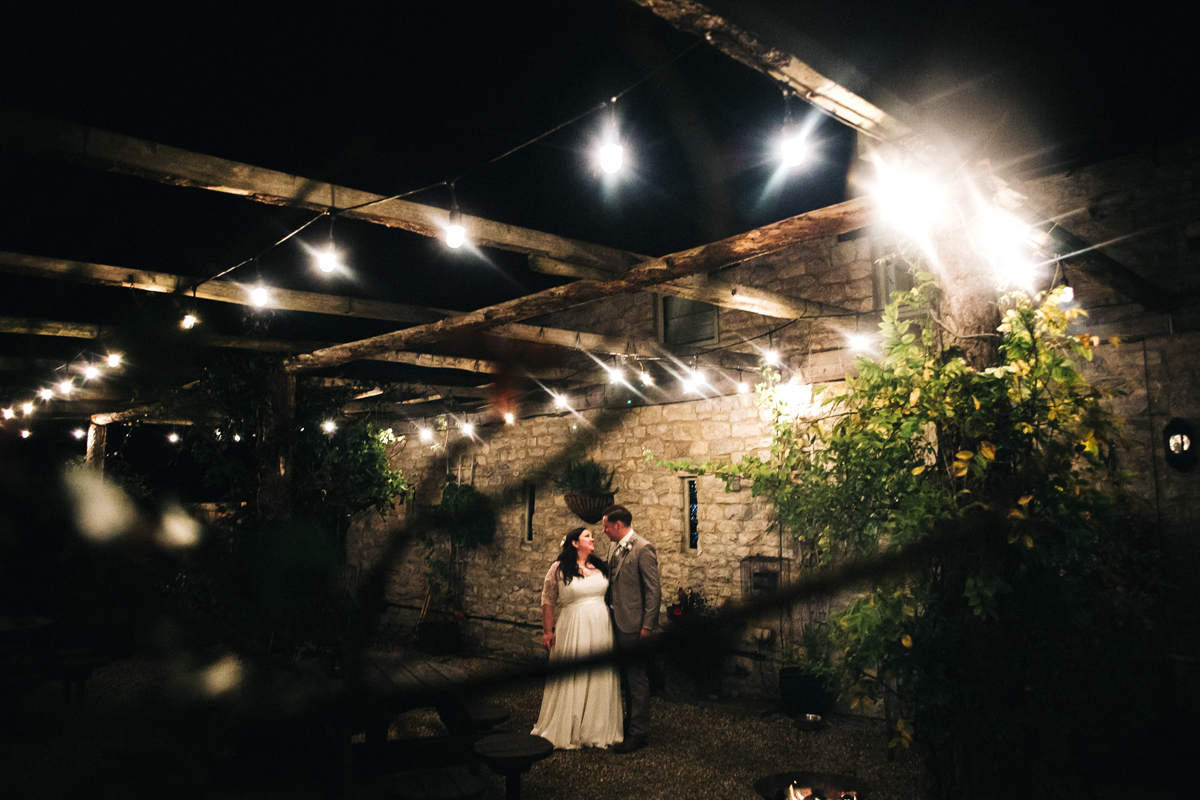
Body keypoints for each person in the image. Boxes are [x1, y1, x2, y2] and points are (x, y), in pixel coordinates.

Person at [530, 527, 624, 749]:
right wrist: (547, 630)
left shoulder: (599, 566)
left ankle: (595, 727)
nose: (593, 539)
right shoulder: (559, 568)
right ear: (574, 543)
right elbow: (548, 599)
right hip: (574, 626)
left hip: (600, 625)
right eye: (587, 536)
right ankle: (570, 725)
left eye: (592, 536)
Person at [601, 504, 660, 754]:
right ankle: (625, 720)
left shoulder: (643, 548)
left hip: (634, 624)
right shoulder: (614, 545)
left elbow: (653, 590)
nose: (603, 531)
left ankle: (639, 732)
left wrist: (648, 625)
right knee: (622, 676)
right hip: (614, 619)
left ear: (618, 525)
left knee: (636, 678)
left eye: (606, 526)